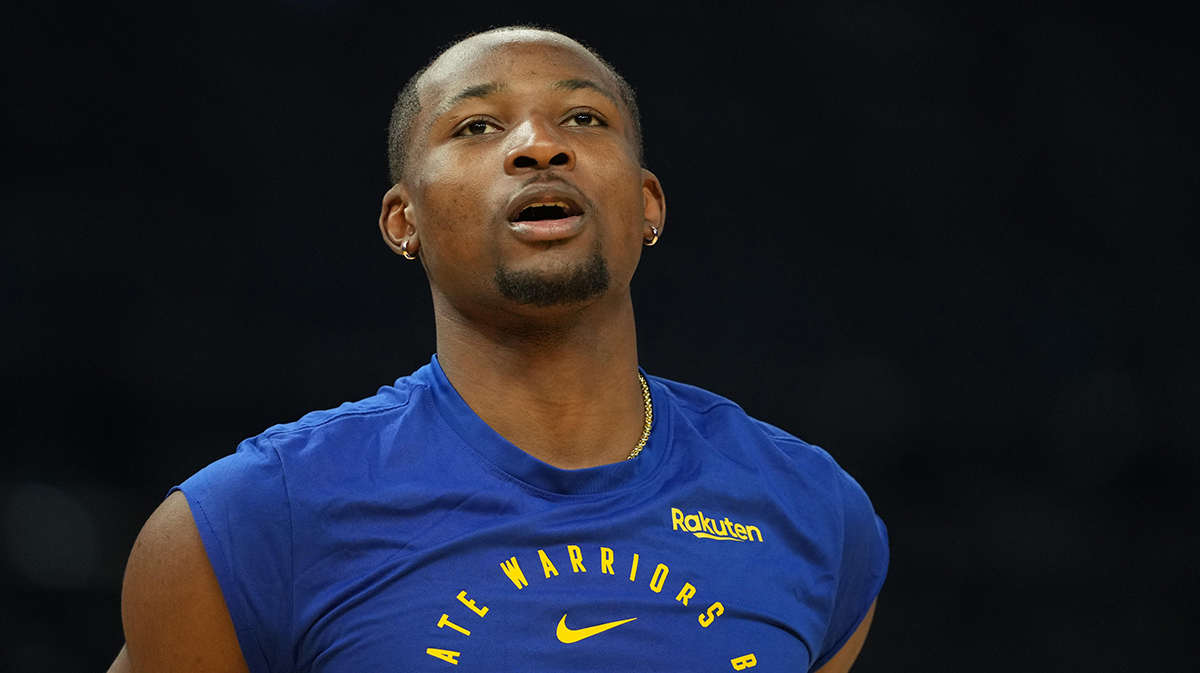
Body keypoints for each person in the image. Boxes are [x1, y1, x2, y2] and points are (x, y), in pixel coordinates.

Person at [108, 26, 888, 673]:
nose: (538, 145)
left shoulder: (818, 513)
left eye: (583, 118)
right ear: (404, 221)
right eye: (477, 126)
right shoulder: (246, 523)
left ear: (647, 203)